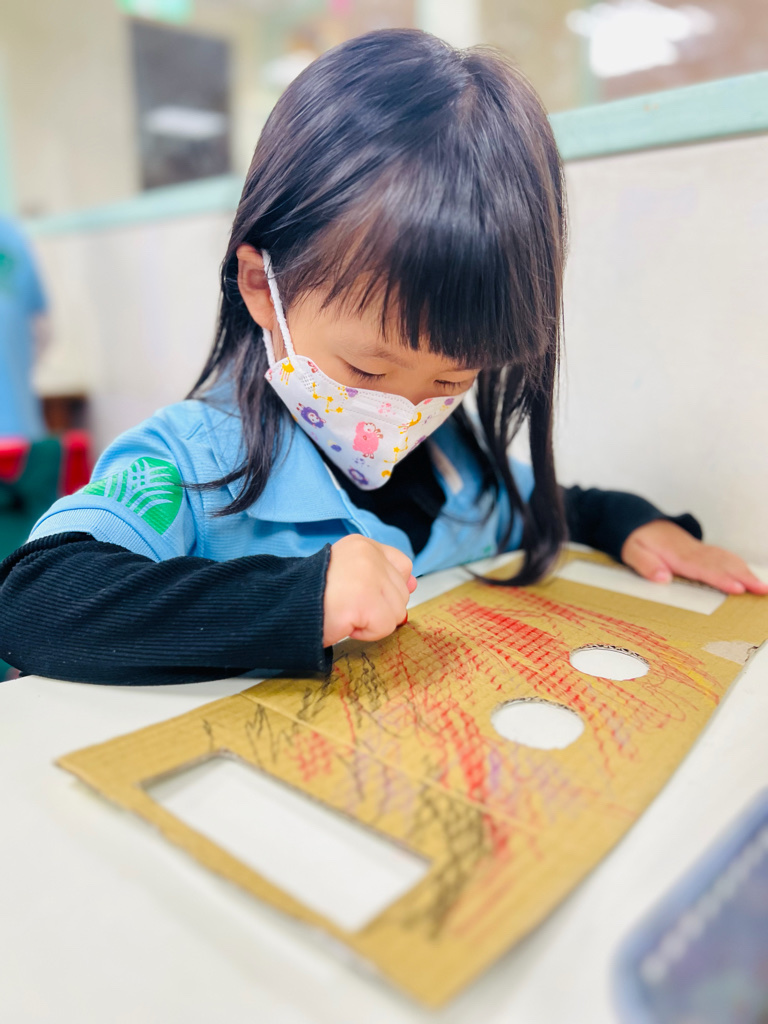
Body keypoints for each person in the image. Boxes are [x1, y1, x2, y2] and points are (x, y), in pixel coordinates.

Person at [0, 30, 764, 686]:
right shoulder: (198, 465)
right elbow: (36, 598)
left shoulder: (462, 472)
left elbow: (565, 505)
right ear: (264, 287)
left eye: (451, 379)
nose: (403, 413)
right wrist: (296, 601)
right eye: (368, 371)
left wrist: (634, 524)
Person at [0, 216, 47, 440]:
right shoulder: (11, 234)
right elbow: (43, 333)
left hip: (18, 434)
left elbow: (41, 329)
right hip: (20, 428)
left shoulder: (11, 235)